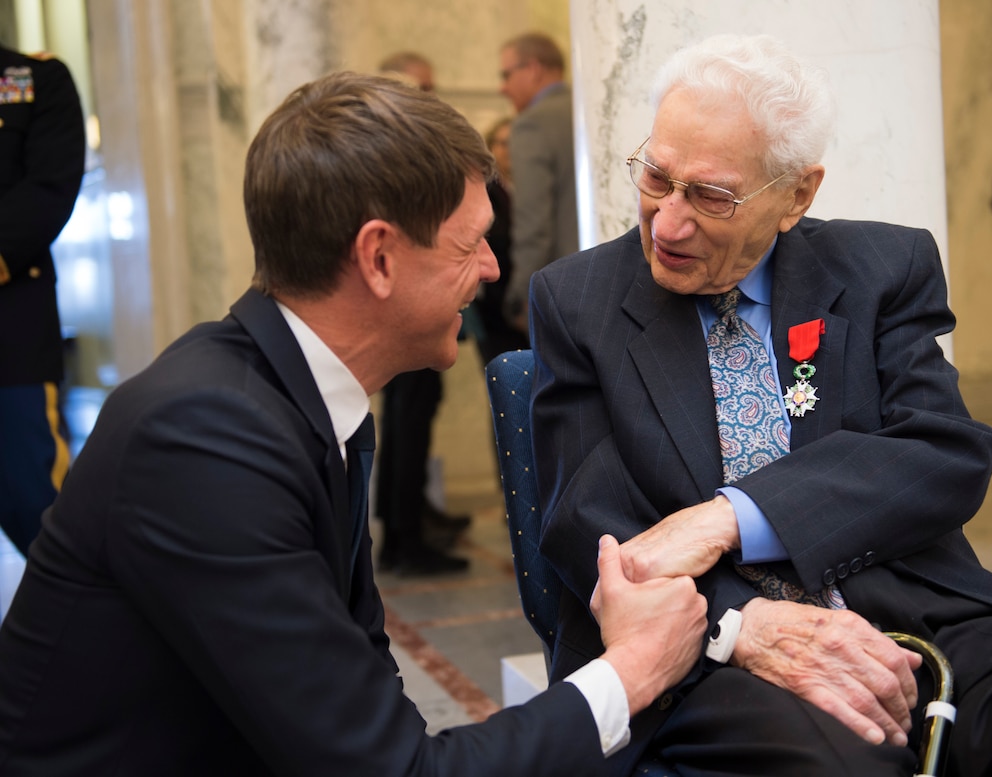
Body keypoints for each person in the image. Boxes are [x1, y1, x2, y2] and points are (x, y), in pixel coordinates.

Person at [0, 71, 709, 775]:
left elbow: (370, 702)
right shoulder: (205, 437)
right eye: (470, 244)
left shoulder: (300, 398)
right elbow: (391, 768)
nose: (493, 269)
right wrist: (631, 672)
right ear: (378, 258)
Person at [529, 34, 992, 777]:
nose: (665, 222)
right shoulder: (577, 302)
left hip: (911, 599)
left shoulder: (882, 268)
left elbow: (944, 452)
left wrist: (731, 514)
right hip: (712, 643)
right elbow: (585, 521)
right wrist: (742, 622)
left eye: (711, 194)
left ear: (797, 194)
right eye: (656, 177)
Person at [373, 50, 472, 575]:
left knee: (407, 419)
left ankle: (403, 524)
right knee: (408, 420)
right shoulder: (394, 156)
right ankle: (404, 537)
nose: (432, 101)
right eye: (422, 90)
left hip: (406, 307)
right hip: (406, 309)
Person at [0, 44, 85, 557]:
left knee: (34, 500)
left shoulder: (34, 79)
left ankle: (84, 631)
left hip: (12, 331)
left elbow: (50, 187)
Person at [498, 32, 578, 333]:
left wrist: (521, 294)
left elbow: (534, 223)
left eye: (506, 74)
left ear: (532, 68)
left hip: (559, 291)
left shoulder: (533, 123)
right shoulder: (590, 112)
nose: (502, 87)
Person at [470, 116, 529, 365]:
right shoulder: (488, 191)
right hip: (495, 306)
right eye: (503, 143)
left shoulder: (525, 188)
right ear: (491, 147)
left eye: (515, 143)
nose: (509, 150)